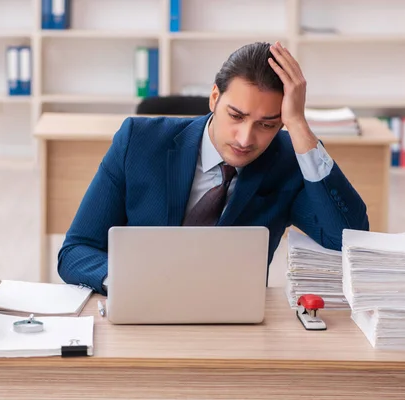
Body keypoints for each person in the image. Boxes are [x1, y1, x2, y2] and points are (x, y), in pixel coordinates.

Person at [57, 41, 369, 295]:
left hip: (235, 323)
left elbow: (346, 241)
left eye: (267, 124)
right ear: (214, 97)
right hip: (141, 310)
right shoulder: (137, 142)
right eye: (236, 116)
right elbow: (76, 251)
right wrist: (129, 284)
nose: (246, 139)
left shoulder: (289, 159)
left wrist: (298, 124)